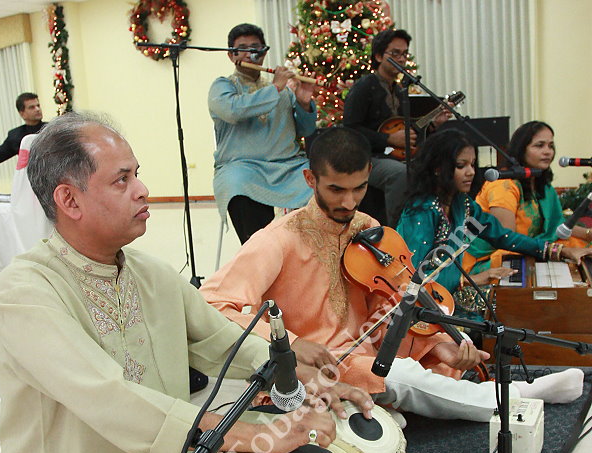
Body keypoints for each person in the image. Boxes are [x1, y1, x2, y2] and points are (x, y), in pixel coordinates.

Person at [0, 112, 370, 453]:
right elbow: (108, 397)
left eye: (137, 174)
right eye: (122, 180)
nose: (143, 190)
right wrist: (235, 433)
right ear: (69, 200)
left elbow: (227, 342)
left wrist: (309, 377)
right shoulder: (25, 291)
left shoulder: (151, 273)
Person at [201, 127, 585, 423]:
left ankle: (411, 399)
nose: (348, 202)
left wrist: (438, 343)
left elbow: (392, 304)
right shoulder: (277, 240)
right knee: (404, 377)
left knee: (431, 358)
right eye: (336, 190)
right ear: (310, 179)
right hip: (319, 367)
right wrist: (291, 344)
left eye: (359, 188)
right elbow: (213, 303)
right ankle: (516, 397)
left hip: (371, 351)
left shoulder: (367, 226)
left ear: (370, 175)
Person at [396, 128, 592, 315]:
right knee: (512, 313)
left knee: (523, 308)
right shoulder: (421, 211)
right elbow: (413, 280)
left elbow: (503, 236)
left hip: (448, 295)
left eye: (473, 164)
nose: (471, 172)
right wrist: (470, 279)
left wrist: (559, 251)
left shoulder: (461, 203)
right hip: (419, 311)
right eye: (461, 165)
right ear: (438, 169)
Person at [209, 22, 316, 244]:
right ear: (231, 55)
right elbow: (233, 111)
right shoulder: (223, 86)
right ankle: (259, 253)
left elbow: (305, 130)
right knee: (236, 185)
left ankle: (305, 252)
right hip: (242, 167)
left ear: (264, 52)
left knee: (318, 183)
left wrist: (304, 103)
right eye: (242, 48)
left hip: (288, 166)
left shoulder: (283, 91)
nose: (250, 54)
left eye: (256, 48)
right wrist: (275, 88)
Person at [343, 29, 453, 226]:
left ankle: (437, 225)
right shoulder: (364, 87)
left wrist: (434, 124)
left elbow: (407, 132)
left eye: (404, 54)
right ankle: (398, 230)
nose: (401, 59)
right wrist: (388, 139)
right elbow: (350, 130)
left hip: (393, 155)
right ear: (378, 56)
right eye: (395, 53)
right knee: (400, 174)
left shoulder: (400, 90)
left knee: (438, 164)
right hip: (366, 159)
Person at [465, 120, 592, 273]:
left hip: (531, 250)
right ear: (521, 150)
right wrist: (558, 251)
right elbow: (507, 240)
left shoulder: (542, 185)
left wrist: (588, 234)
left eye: (550, 146)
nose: (547, 151)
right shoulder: (503, 186)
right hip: (490, 260)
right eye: (539, 145)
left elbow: (557, 227)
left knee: (583, 251)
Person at [0, 93, 45, 167]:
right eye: (32, 107)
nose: (37, 109)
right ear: (22, 114)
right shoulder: (16, 135)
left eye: (38, 106)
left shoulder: (51, 129)